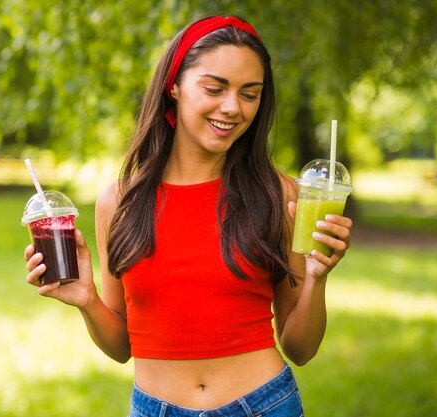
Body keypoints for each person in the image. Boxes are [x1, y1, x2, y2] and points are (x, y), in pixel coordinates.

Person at [24, 15, 353, 417]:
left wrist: (316, 278)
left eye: (250, 94)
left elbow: (300, 349)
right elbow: (122, 347)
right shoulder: (120, 201)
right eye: (215, 88)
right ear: (174, 86)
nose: (232, 107)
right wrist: (87, 300)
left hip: (265, 405)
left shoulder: (278, 195)